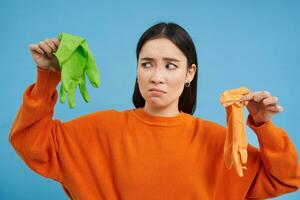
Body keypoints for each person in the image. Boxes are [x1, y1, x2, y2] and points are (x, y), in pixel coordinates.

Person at [9, 22, 300, 200]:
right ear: (137, 69)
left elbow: (286, 179)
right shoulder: (102, 130)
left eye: (170, 65)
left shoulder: (221, 144)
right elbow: (31, 141)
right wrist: (47, 76)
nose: (156, 76)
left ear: (190, 73)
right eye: (147, 63)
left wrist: (262, 125)